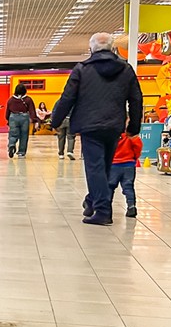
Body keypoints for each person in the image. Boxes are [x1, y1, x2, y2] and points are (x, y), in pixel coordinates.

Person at [51, 32, 143, 226]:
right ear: (112, 48)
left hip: (89, 125)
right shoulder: (126, 69)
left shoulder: (82, 69)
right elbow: (136, 99)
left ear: (91, 48)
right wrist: (134, 126)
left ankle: (102, 211)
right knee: (105, 167)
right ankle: (92, 201)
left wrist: (55, 120)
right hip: (114, 126)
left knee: (95, 168)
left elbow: (67, 97)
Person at [109, 132, 142, 218]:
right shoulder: (130, 134)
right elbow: (138, 146)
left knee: (110, 187)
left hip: (113, 164)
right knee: (128, 187)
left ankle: (106, 207)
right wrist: (134, 157)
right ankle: (131, 207)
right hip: (129, 164)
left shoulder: (111, 133)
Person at [5, 84, 38, 158]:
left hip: (13, 117)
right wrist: (34, 120)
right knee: (24, 135)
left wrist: (8, 120)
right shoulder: (28, 99)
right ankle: (21, 153)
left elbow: (7, 112)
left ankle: (11, 145)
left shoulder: (11, 100)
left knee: (13, 133)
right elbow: (32, 110)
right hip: (24, 117)